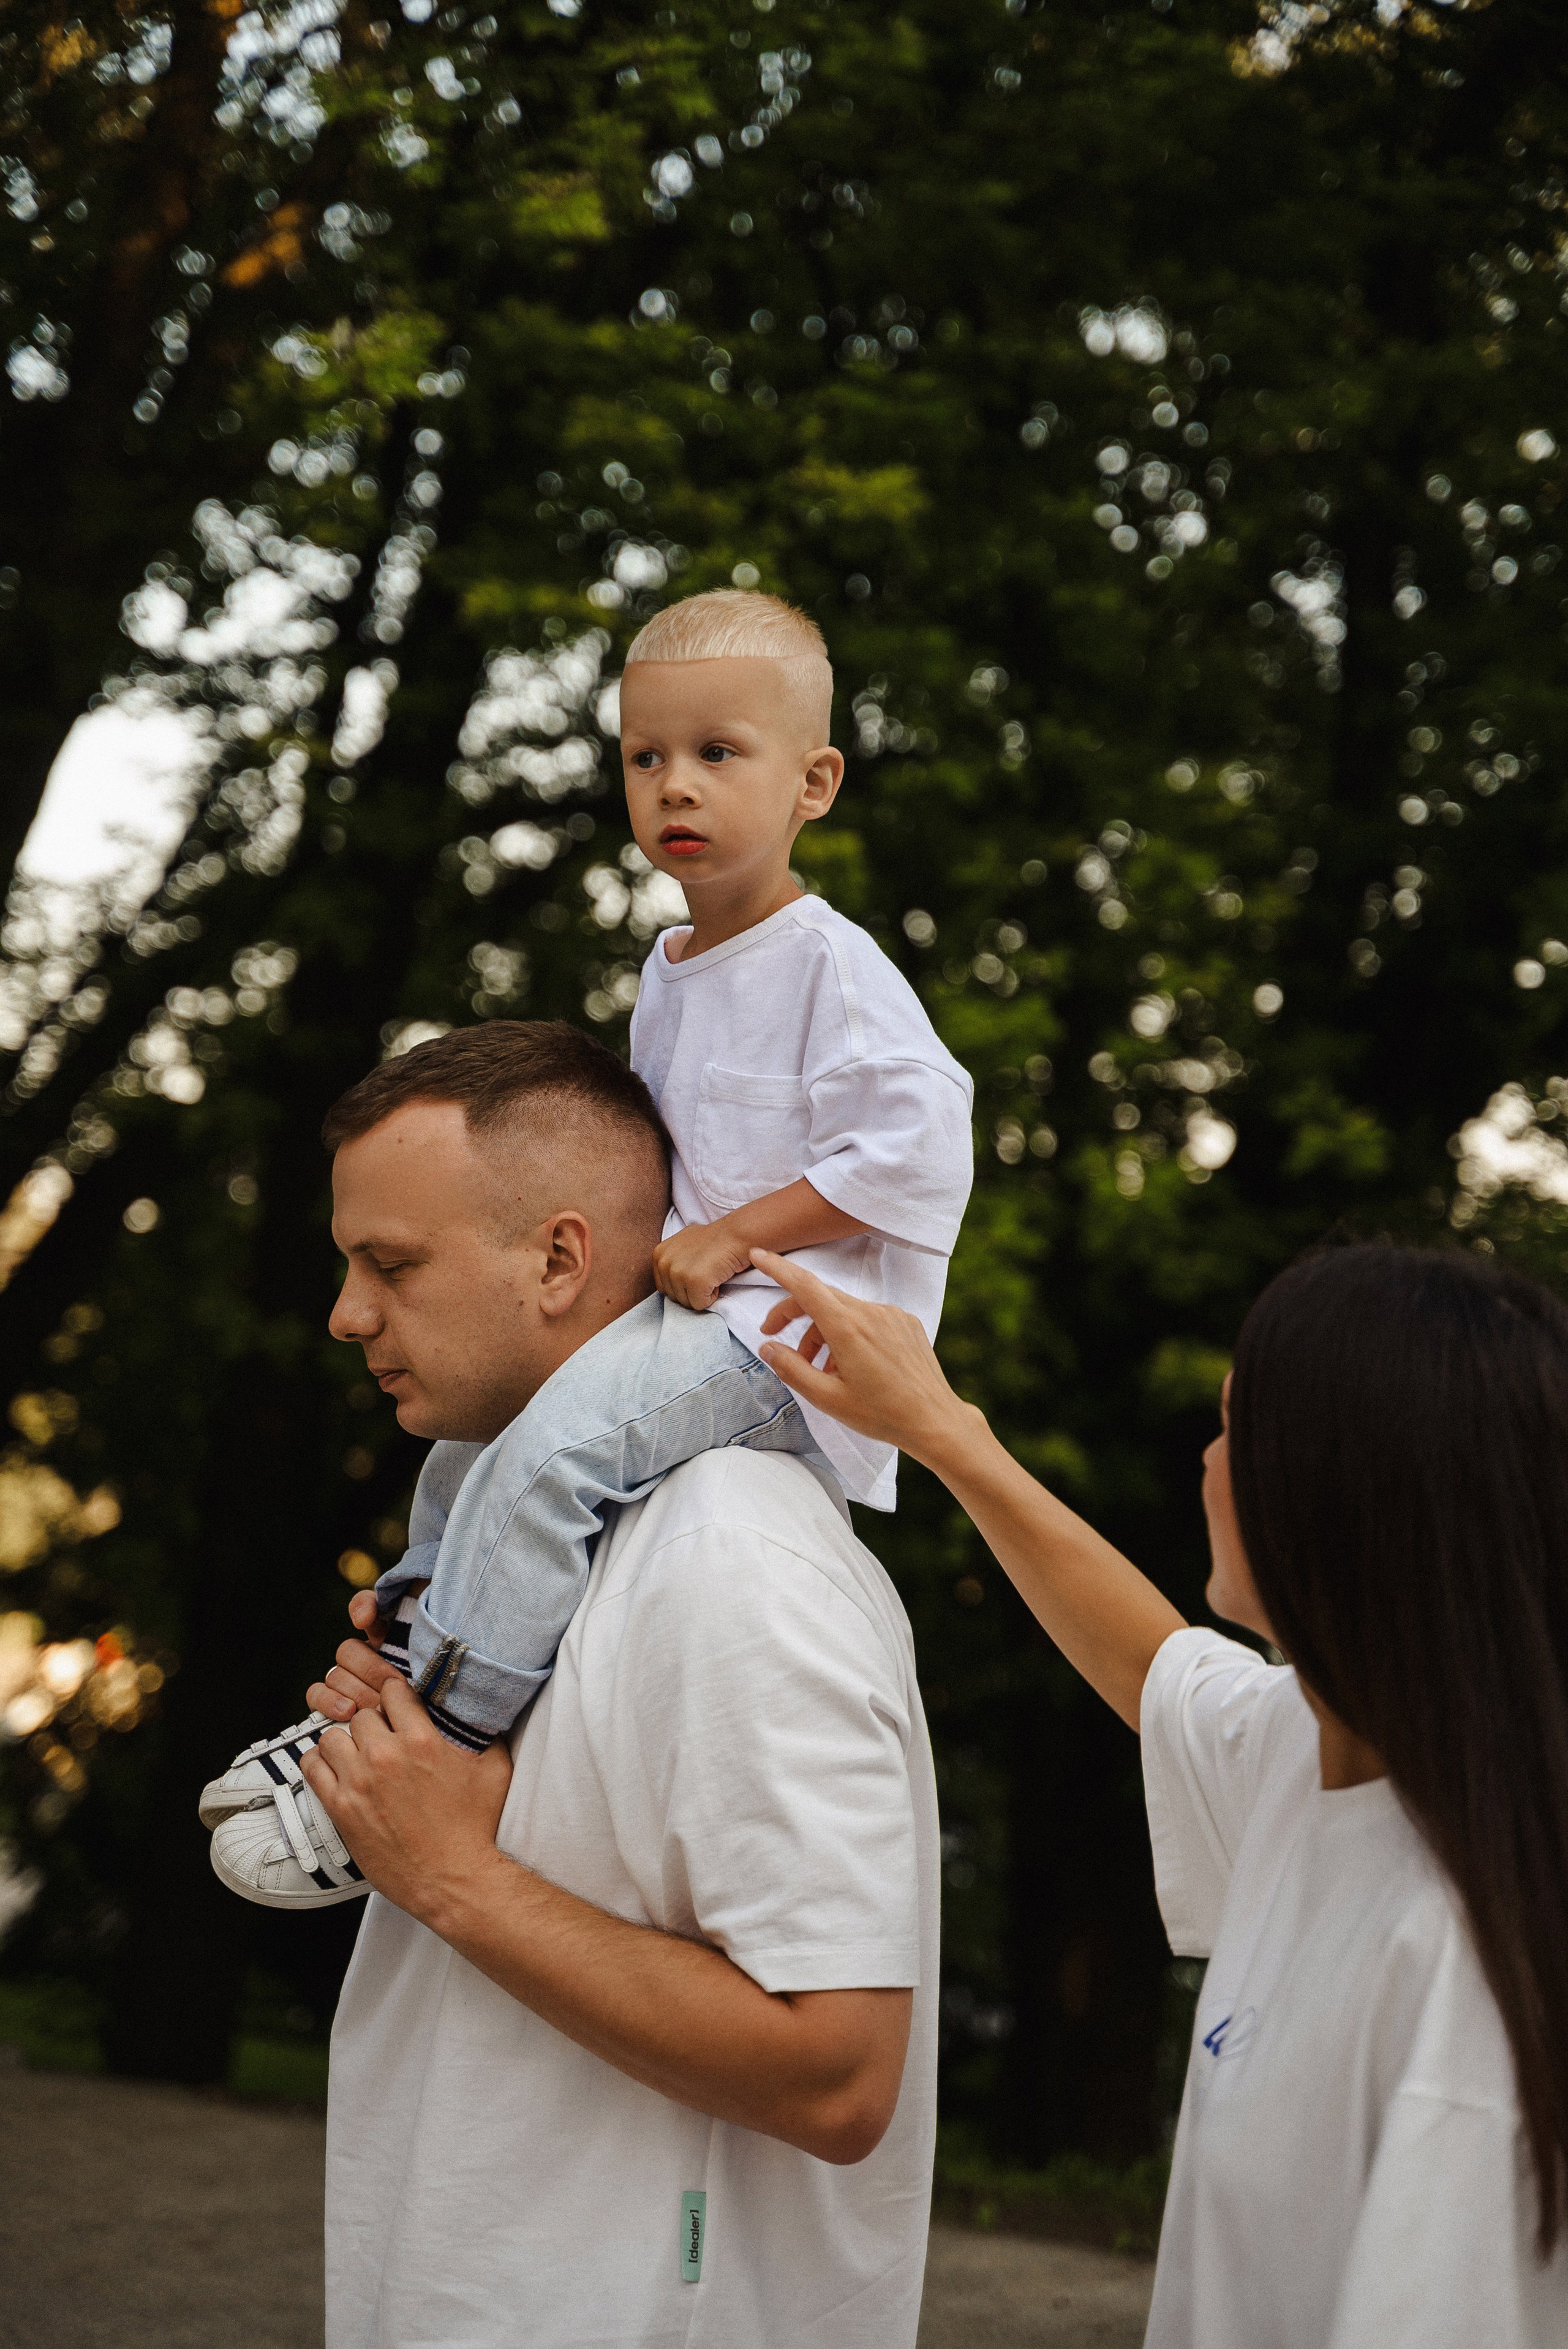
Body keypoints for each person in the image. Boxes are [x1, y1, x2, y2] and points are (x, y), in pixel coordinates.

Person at [200, 587, 973, 1905]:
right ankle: (399, 1665)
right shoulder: (674, 963)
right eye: (643, 756)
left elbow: (916, 1150)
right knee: (473, 1442)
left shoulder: (830, 966)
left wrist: (733, 1234)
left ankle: (436, 1740)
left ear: (815, 782)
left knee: (554, 1451)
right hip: (685, 1315)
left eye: (717, 753)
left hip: (777, 1333)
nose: (674, 784)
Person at [749, 1241, 1568, 2347]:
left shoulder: (1463, 1974)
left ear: (1335, 1489)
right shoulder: (1316, 1751)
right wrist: (938, 1429)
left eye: (1236, 1427)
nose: (1210, 1459)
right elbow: (1151, 1665)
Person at [276, 1031, 941, 2345]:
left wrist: (455, 1873)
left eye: (391, 1265)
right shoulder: (525, 1544)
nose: (349, 1313)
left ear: (561, 1258)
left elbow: (840, 2071)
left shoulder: (728, 1561)